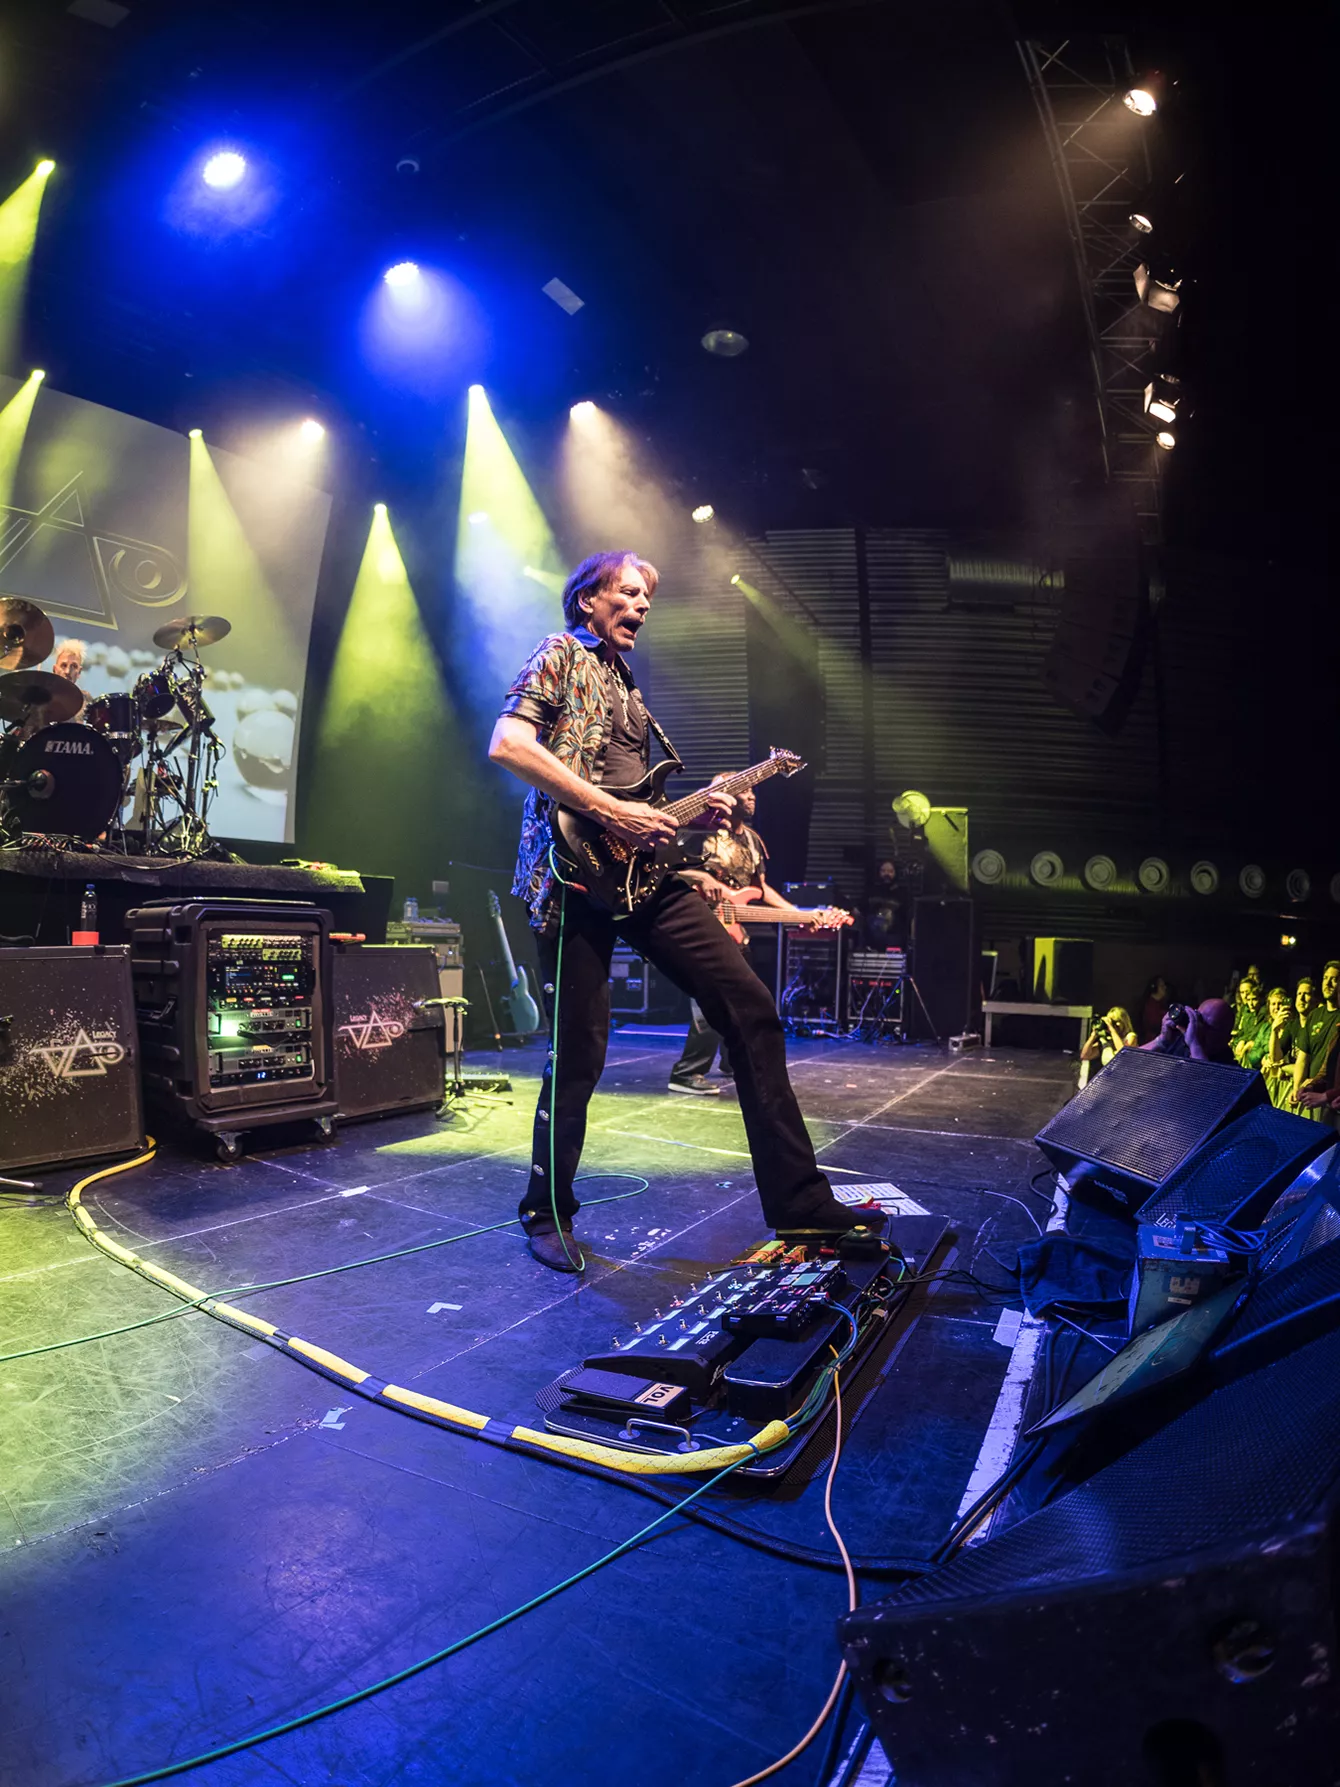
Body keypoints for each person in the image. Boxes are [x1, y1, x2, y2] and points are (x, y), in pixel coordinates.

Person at [488, 549, 877, 1272]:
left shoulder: (627, 684)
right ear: (587, 599)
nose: (642, 606)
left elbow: (640, 801)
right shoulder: (560, 654)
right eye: (629, 592)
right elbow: (509, 744)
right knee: (579, 1050)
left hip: (644, 877)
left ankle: (800, 1201)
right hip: (572, 875)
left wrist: (695, 812)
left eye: (648, 598)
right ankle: (546, 1211)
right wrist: (615, 812)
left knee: (750, 1007)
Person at [668, 778, 849, 1094]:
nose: (751, 796)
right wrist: (699, 877)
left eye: (752, 791)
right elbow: (665, 869)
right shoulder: (698, 833)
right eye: (744, 791)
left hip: (735, 930)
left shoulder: (752, 840)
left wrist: (798, 914)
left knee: (743, 997)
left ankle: (732, 1062)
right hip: (700, 922)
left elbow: (760, 889)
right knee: (709, 998)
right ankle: (686, 1073)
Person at [1293, 960, 1340, 1123]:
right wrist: (1304, 1086)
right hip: (1318, 1095)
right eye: (1325, 978)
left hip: (1328, 1098)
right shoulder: (1315, 1015)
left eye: (1334, 979)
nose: (1328, 983)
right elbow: (1306, 1058)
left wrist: (1325, 1095)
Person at [1141, 997, 1235, 1065]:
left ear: (1226, 1039)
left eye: (1209, 1027)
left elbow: (1207, 1082)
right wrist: (1162, 1040)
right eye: (1199, 1019)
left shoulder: (1231, 1068)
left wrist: (1194, 1044)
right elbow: (1133, 1061)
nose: (1198, 1028)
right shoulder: (1180, 1041)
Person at [1138, 975, 1171, 1044]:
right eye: (1162, 986)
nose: (1165, 988)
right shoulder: (1150, 1006)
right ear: (1154, 988)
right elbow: (1155, 1025)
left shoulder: (1161, 1003)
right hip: (1154, 1042)